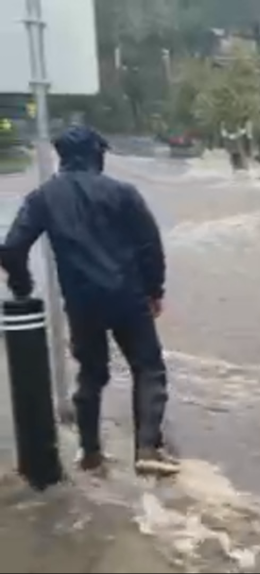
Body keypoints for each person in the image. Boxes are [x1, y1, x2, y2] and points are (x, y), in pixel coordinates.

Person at [0, 126, 179, 476]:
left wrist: (23, 286)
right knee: (148, 368)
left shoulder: (43, 197)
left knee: (92, 375)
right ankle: (147, 447)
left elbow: (11, 248)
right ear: (96, 154)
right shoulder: (122, 193)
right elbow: (149, 246)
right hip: (128, 295)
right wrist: (155, 291)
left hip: (82, 303)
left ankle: (90, 453)